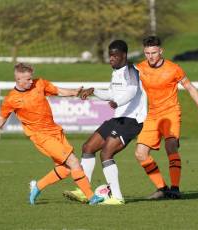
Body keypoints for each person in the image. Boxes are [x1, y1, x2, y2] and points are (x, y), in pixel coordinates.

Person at [0, 62, 104, 205]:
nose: (32, 81)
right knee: (74, 161)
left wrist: (74, 92)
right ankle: (92, 197)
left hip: (55, 131)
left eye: (32, 78)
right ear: (18, 79)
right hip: (41, 137)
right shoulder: (11, 99)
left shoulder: (40, 83)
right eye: (28, 79)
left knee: (65, 169)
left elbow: (58, 90)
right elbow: (1, 120)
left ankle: (37, 186)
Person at [63, 40, 147, 205]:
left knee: (106, 153)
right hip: (118, 118)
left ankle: (117, 197)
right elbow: (110, 94)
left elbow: (132, 90)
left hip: (132, 120)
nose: (111, 58)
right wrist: (94, 91)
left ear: (124, 55)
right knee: (88, 147)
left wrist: (118, 102)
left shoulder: (131, 70)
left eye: (115, 55)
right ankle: (84, 191)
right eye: (110, 55)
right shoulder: (116, 72)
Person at [135, 36, 198, 199]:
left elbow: (190, 87)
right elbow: (128, 88)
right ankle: (162, 188)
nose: (151, 56)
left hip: (170, 113)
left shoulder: (173, 69)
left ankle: (175, 188)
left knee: (170, 146)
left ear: (161, 51)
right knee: (140, 153)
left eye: (154, 52)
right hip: (152, 115)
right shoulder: (139, 68)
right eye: (147, 53)